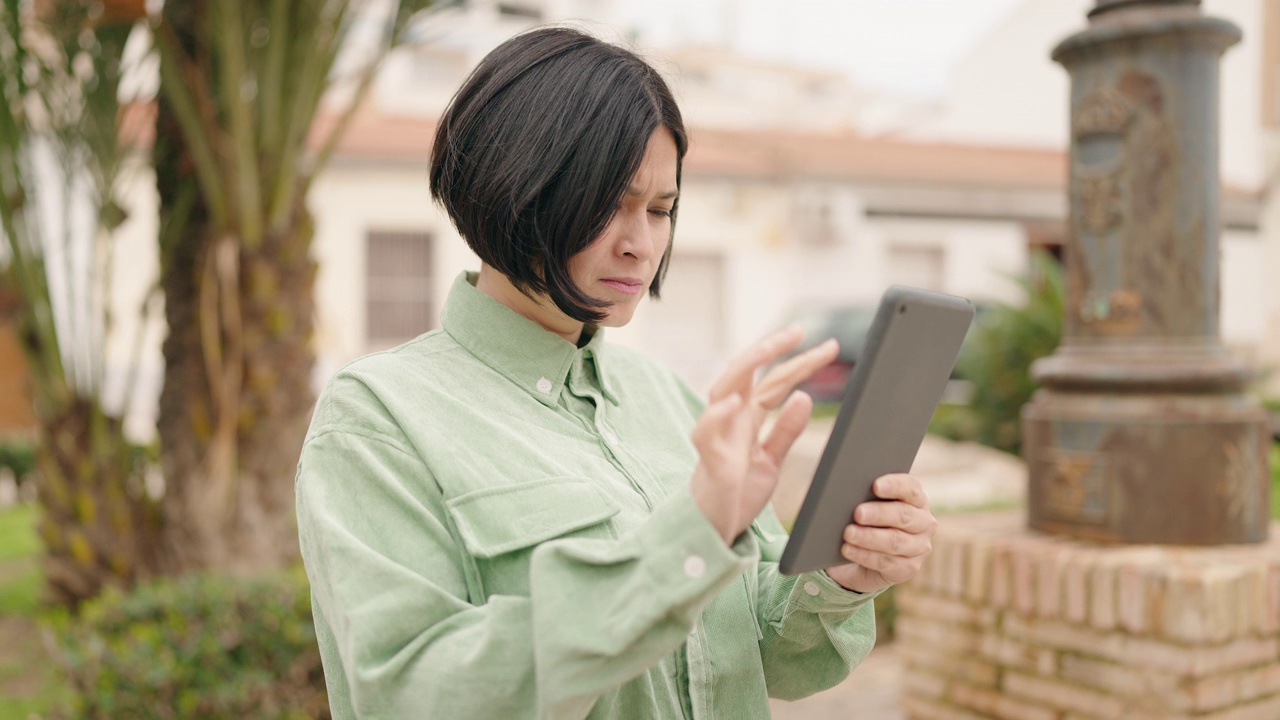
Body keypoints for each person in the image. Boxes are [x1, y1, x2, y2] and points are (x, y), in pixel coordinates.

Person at [295, 26, 938, 720]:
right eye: (610, 205)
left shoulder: (669, 399)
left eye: (661, 210)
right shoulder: (378, 420)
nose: (641, 245)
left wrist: (839, 578)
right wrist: (685, 544)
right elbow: (414, 694)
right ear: (514, 188)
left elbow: (768, 658)